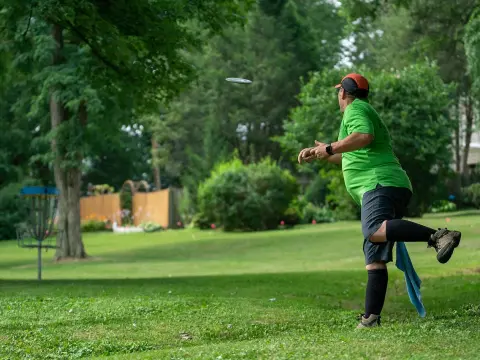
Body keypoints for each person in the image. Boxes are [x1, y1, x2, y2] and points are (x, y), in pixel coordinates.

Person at [297, 73, 461, 329]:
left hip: (378, 183)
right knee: (374, 254)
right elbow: (353, 154)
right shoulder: (360, 111)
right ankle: (371, 318)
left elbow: (364, 137)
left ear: (342, 93)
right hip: (382, 184)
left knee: (373, 231)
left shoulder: (355, 110)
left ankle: (439, 236)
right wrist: (322, 154)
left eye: (338, 91)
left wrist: (329, 147)